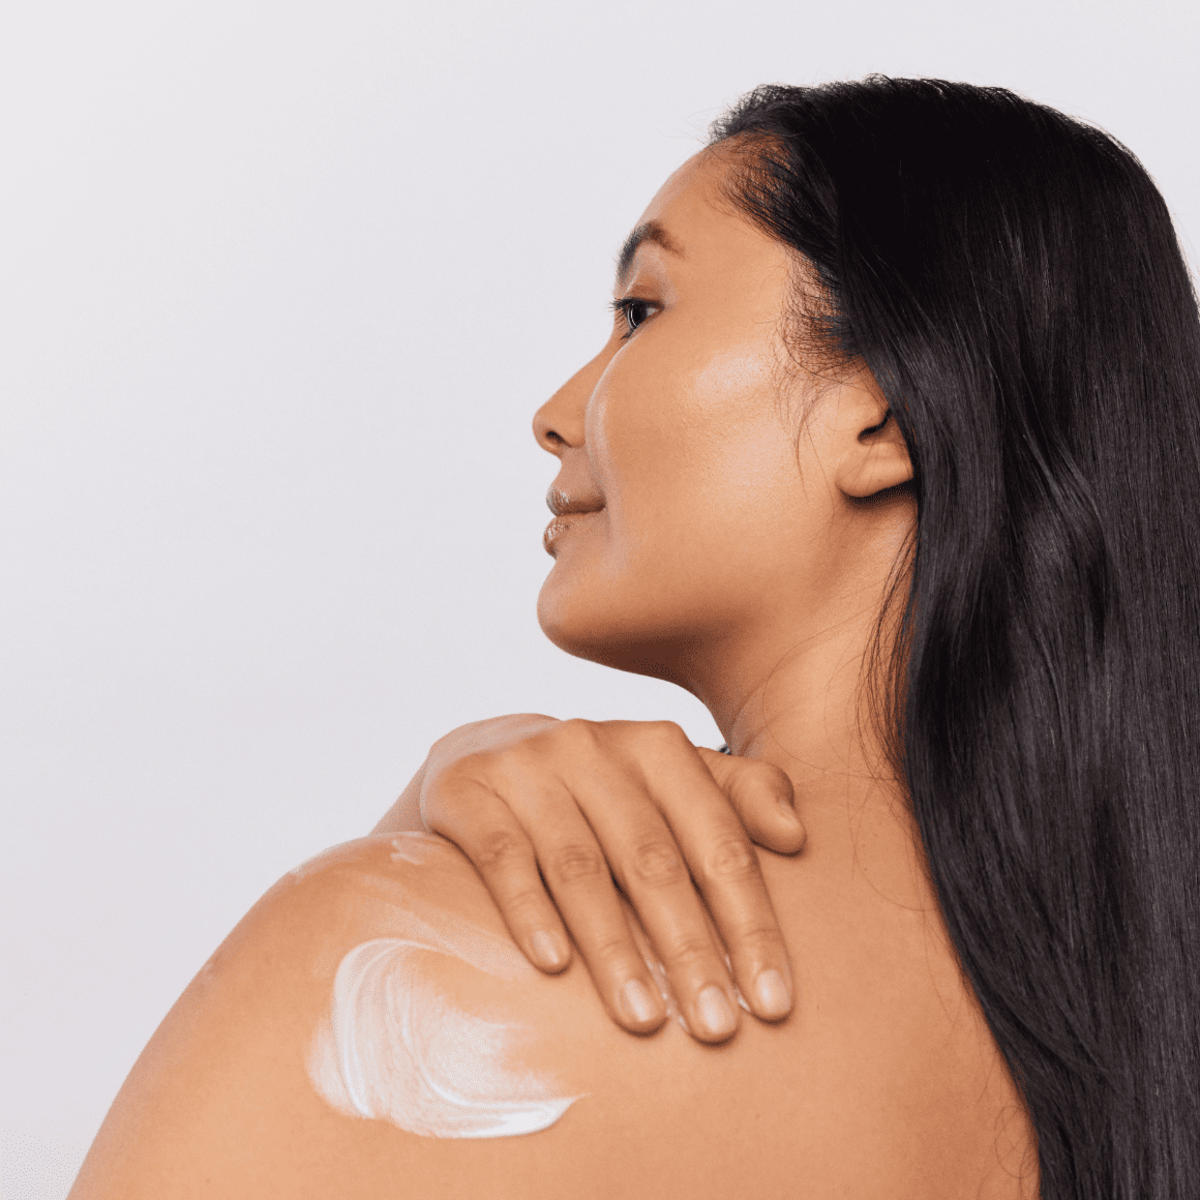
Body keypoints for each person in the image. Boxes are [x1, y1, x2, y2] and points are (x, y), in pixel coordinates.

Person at [68, 76, 1200, 1199]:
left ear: (884, 415)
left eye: (642, 313)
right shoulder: (1151, 1015)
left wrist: (385, 877)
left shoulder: (385, 974)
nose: (557, 411)